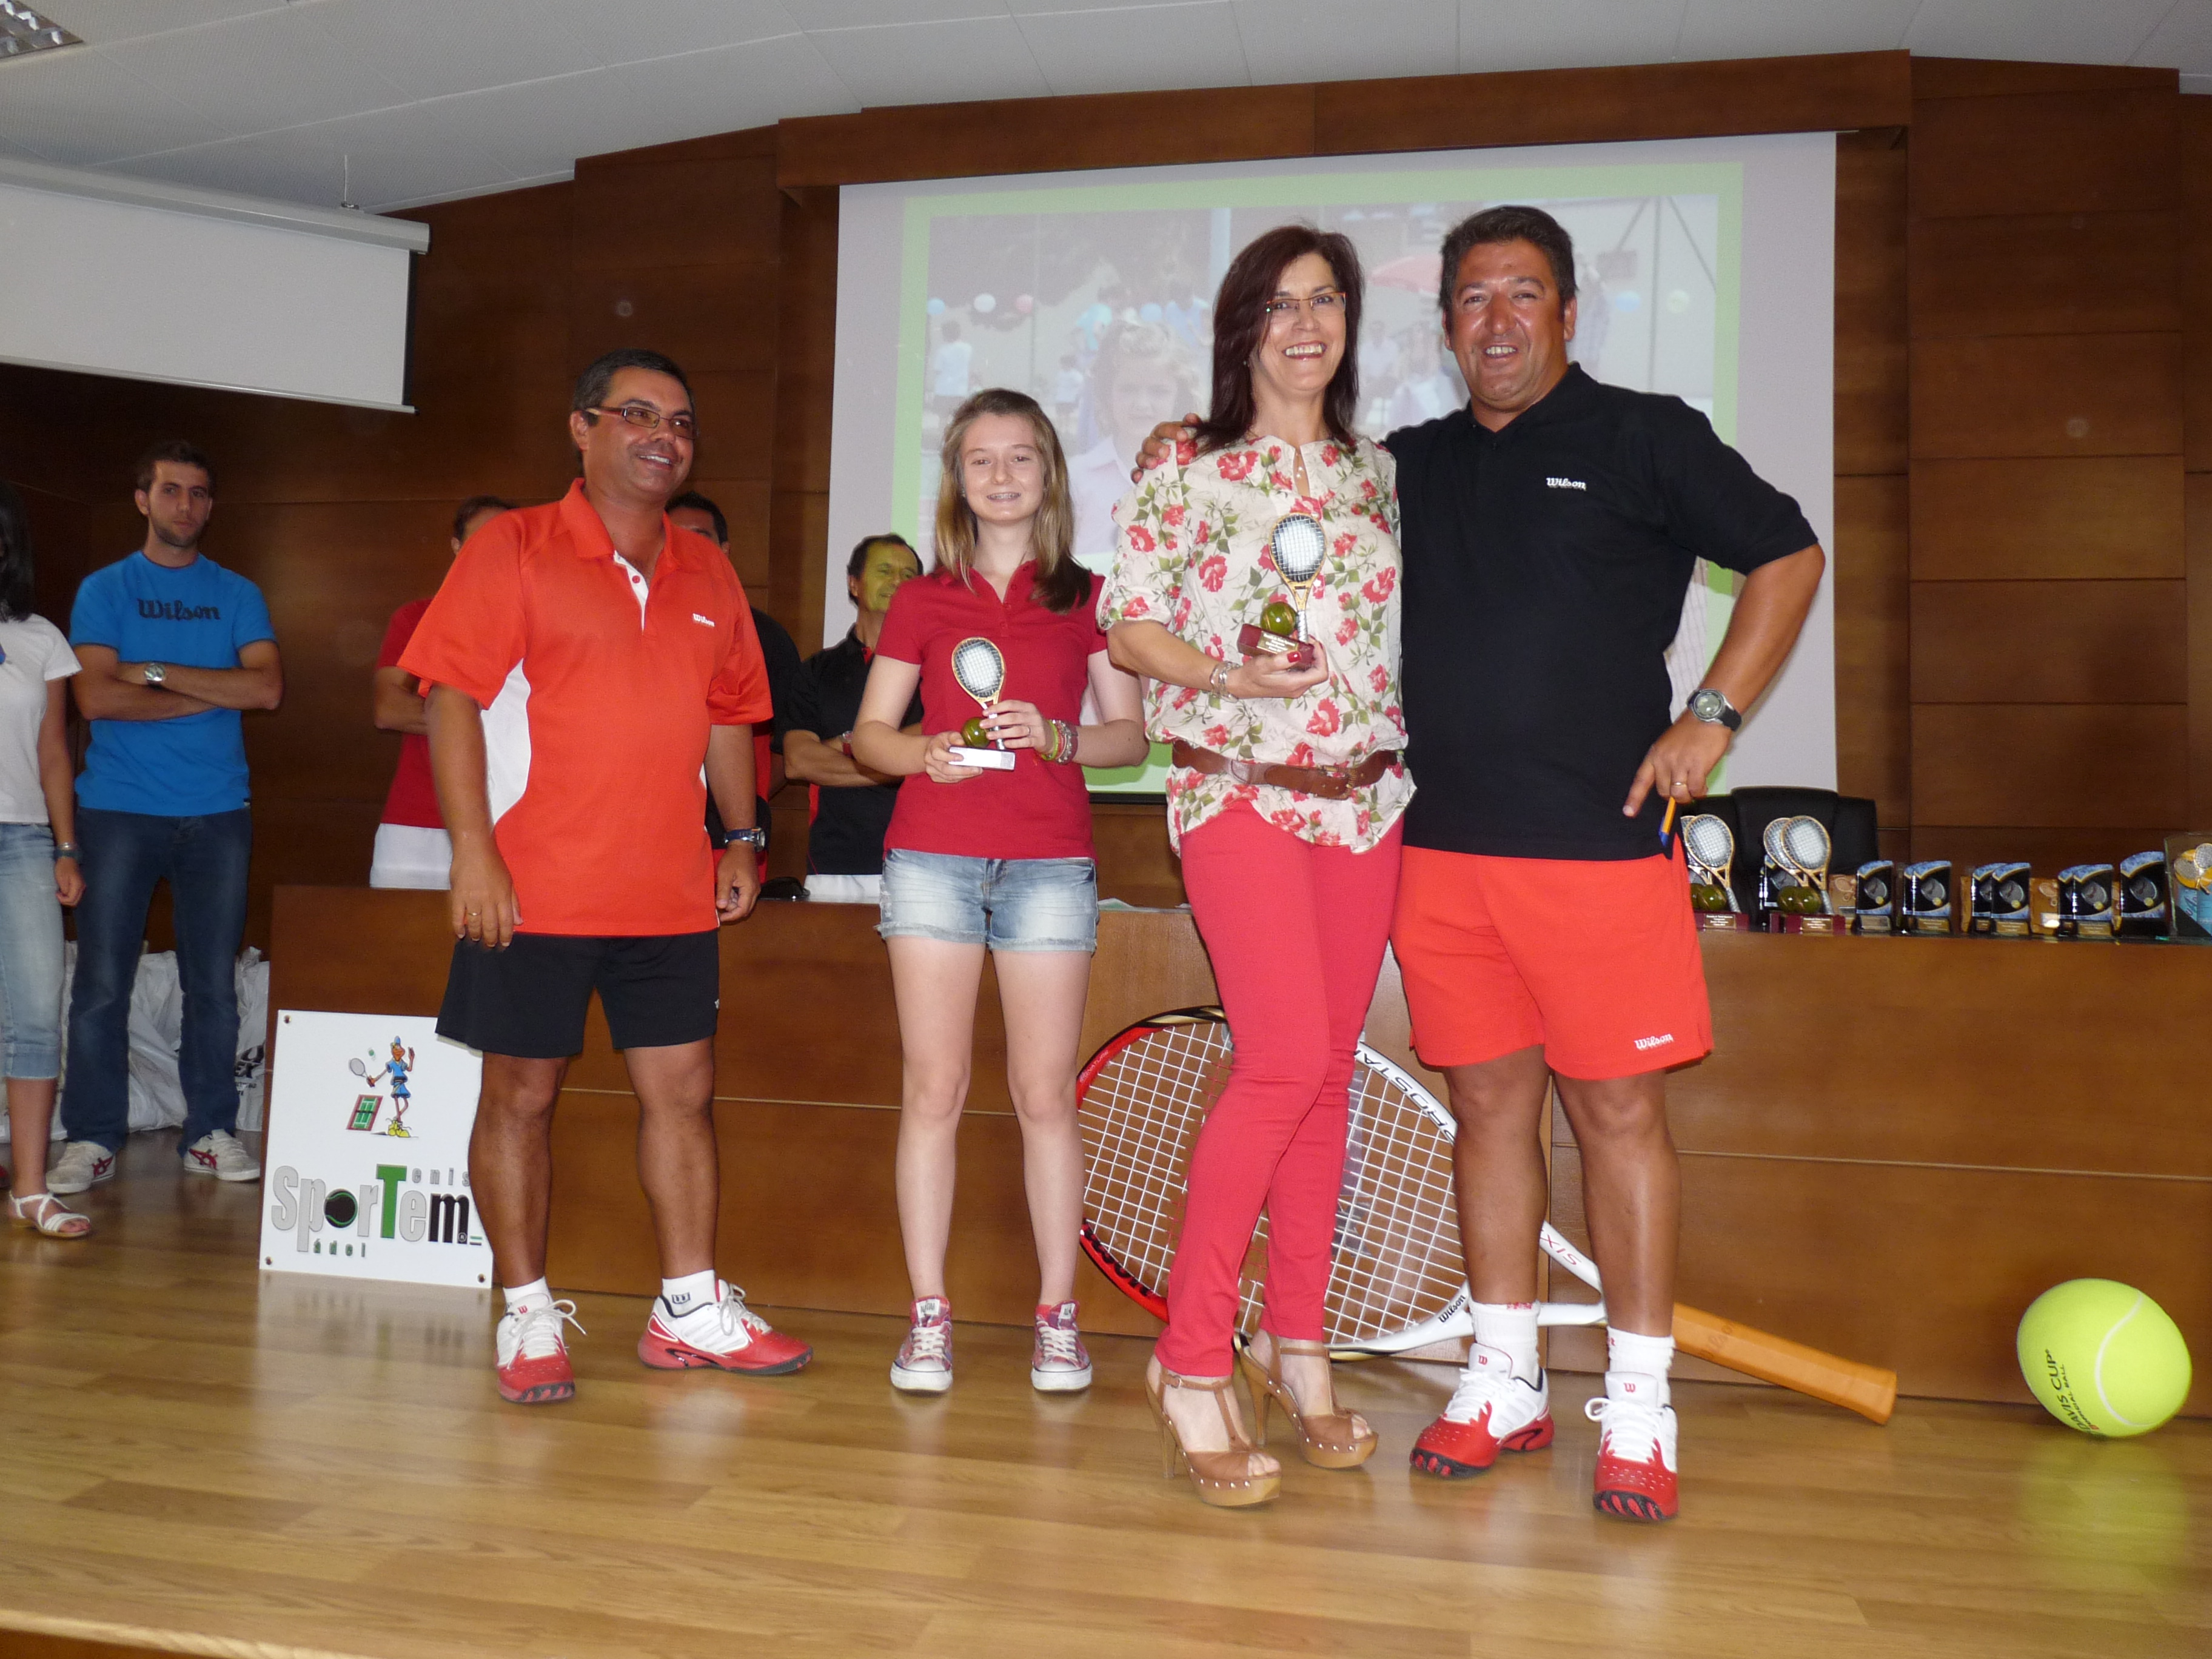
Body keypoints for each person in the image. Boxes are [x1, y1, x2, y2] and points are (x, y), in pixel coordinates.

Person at [400, 347, 812, 1405]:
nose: (664, 437)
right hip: (531, 887)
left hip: (668, 891)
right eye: (638, 415)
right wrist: (473, 852)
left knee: (685, 1095)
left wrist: (742, 836)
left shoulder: (707, 570)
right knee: (520, 1096)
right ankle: (526, 1312)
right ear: (582, 428)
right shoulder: (512, 547)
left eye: (680, 423)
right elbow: (450, 698)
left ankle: (689, 1309)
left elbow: (730, 715)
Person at [1102, 227, 1411, 1509]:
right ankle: (1189, 1361)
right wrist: (1227, 674)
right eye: (1279, 305)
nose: (1306, 324)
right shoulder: (1185, 471)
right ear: (1243, 328)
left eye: (1325, 300)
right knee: (1281, 1064)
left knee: (1327, 1077)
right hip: (1237, 791)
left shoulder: (1380, 475)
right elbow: (1129, 624)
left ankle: (1297, 1345)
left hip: (1367, 801)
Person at [851, 387, 1145, 1399]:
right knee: (931, 1091)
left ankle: (1057, 1320)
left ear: (1050, 474)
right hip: (932, 858)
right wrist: (925, 752)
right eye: (982, 459)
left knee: (1043, 1097)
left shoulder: (1089, 597)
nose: (1002, 475)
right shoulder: (920, 600)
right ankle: (928, 1316)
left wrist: (1059, 737)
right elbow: (871, 736)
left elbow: (1129, 738)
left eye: (1021, 457)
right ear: (957, 480)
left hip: (1049, 866)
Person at [47, 441, 281, 1196]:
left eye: (199, 493)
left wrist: (152, 673)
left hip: (217, 813)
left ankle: (209, 1131)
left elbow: (266, 689)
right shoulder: (105, 588)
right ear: (142, 499)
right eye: (172, 490)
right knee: (101, 986)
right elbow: (95, 698)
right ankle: (91, 1137)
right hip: (118, 810)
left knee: (212, 984)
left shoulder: (237, 592)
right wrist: (214, 691)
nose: (187, 505)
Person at [0, 484, 88, 1236]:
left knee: (34, 1014)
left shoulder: (41, 639)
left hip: (25, 840)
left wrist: (65, 847)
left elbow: (55, 753)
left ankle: (30, 1189)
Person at [369, 494, 514, 890]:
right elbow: (388, 708)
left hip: (513, 823)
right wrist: (483, 721)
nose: (493, 553)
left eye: (506, 542)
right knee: (396, 931)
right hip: (417, 824)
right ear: (457, 547)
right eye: (482, 540)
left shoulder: (542, 627)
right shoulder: (417, 617)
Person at [781, 534, 925, 904]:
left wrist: (838, 748)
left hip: (924, 864)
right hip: (836, 865)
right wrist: (892, 756)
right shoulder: (816, 670)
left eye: (909, 575)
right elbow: (797, 762)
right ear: (854, 584)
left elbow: (935, 739)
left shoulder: (937, 670)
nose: (898, 581)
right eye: (885, 571)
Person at [665, 490, 805, 854]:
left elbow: (786, 744)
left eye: (700, 538)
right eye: (674, 537)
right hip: (641, 828)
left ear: (724, 551)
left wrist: (740, 814)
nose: (686, 548)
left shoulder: (764, 636)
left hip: (726, 838)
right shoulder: (632, 618)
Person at [1067, 320, 1200, 571]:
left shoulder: (1201, 475)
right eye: (1128, 389)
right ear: (1107, 394)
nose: (1142, 404)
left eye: (1158, 391)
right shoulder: (1077, 477)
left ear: (1180, 397)